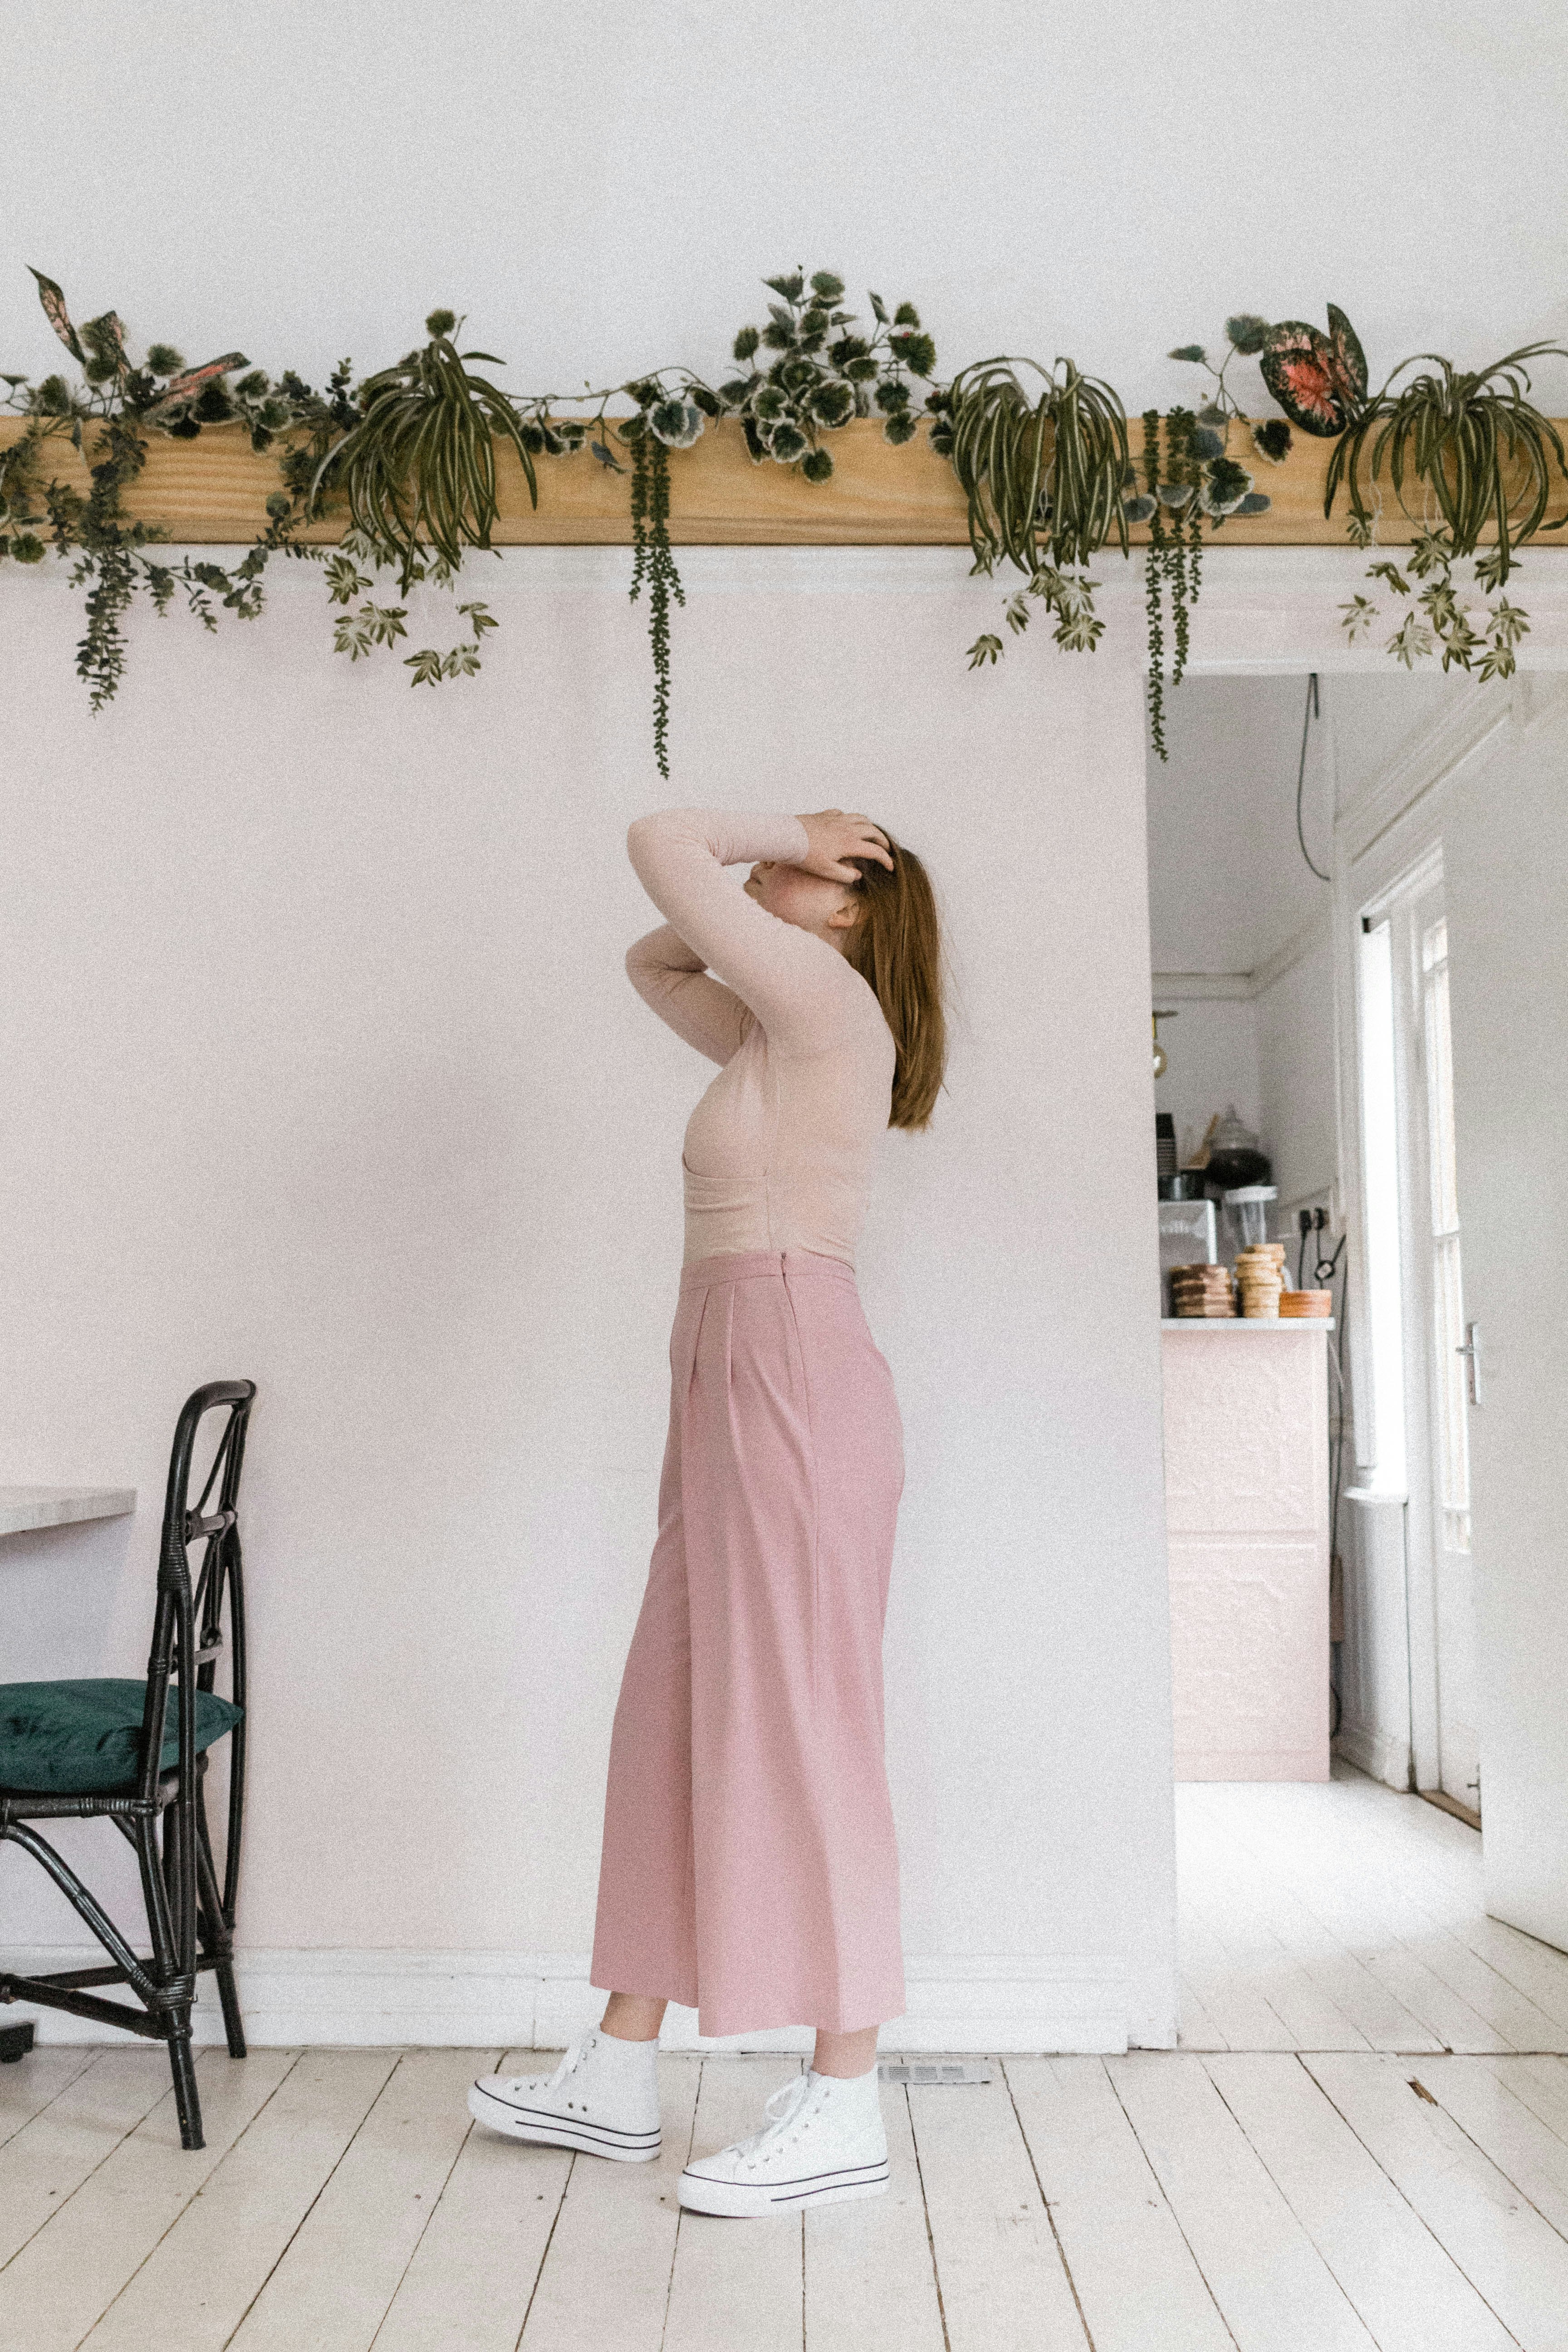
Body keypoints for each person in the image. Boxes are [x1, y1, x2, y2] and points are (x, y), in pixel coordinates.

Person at [470, 807, 946, 2218]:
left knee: (807, 1722)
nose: (771, 875)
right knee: (670, 1709)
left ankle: (845, 2092)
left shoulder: (821, 999)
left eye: (808, 867)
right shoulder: (773, 1024)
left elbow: (657, 840)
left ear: (852, 908)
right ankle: (619, 2070)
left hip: (790, 1370)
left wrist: (771, 834)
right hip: (727, 1374)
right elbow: (653, 959)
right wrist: (768, 876)